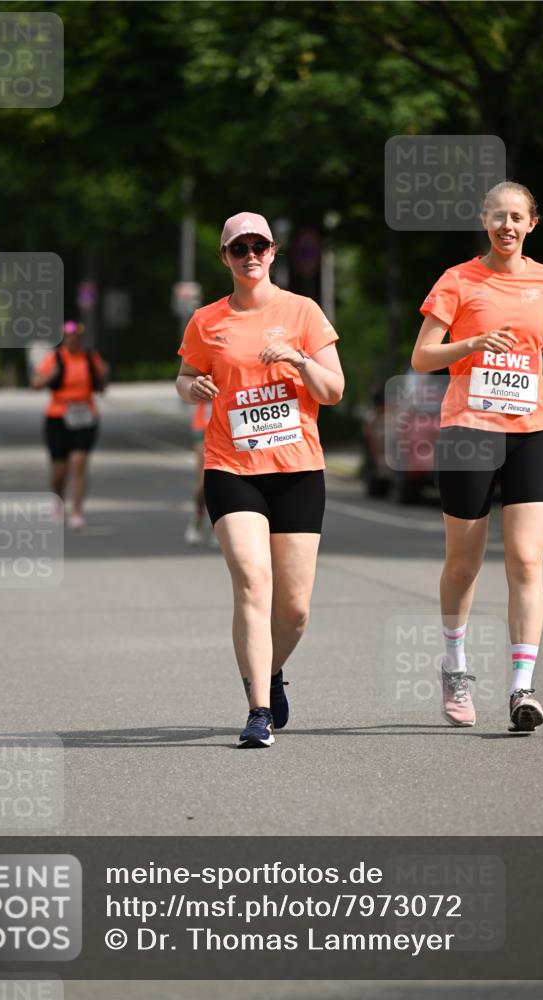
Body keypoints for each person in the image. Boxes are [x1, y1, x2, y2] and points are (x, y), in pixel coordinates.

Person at [412, 181, 543, 733]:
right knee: (464, 563)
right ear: (484, 221)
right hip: (469, 432)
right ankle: (455, 666)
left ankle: (521, 689)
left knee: (527, 561)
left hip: (533, 427)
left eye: (517, 217)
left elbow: (535, 335)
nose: (507, 225)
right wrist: (471, 345)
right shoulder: (458, 280)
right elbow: (422, 357)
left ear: (532, 223)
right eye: (498, 216)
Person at [176, 212, 344, 747]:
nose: (250, 255)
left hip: (297, 470)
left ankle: (270, 671)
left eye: (260, 246)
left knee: (294, 608)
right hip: (232, 467)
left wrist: (297, 359)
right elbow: (184, 377)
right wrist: (192, 389)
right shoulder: (207, 320)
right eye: (239, 247)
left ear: (273, 253)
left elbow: (333, 391)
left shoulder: (303, 312)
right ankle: (258, 711)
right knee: (253, 581)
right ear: (225, 257)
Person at [31, 321, 109, 530]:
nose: (73, 340)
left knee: (79, 464)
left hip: (85, 415)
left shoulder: (91, 358)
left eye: (77, 336)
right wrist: (52, 375)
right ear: (64, 338)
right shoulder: (54, 359)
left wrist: (104, 376)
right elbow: (35, 385)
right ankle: (58, 502)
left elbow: (101, 387)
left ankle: (76, 511)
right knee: (59, 471)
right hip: (58, 416)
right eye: (68, 336)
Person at [184, 400, 213, 545]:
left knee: (228, 480)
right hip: (205, 424)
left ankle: (220, 525)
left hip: (233, 423)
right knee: (204, 482)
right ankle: (198, 518)